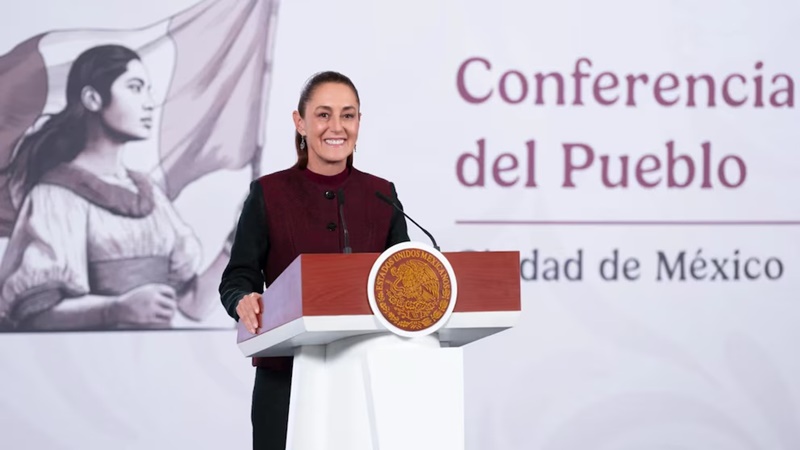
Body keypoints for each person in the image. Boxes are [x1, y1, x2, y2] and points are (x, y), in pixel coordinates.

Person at [218, 70, 410, 449]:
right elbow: (237, 277)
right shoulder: (269, 193)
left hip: (367, 375)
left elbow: (404, 275)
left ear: (358, 123)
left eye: (347, 115)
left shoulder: (381, 194)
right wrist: (242, 299)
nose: (336, 126)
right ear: (300, 122)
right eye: (323, 114)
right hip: (285, 379)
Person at [0, 44, 224, 330]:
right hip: (89, 357)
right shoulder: (56, 195)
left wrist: (237, 242)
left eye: (148, 90)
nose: (149, 103)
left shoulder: (149, 194)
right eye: (135, 88)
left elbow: (192, 305)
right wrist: (115, 310)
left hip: (158, 355)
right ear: (92, 99)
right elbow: (35, 315)